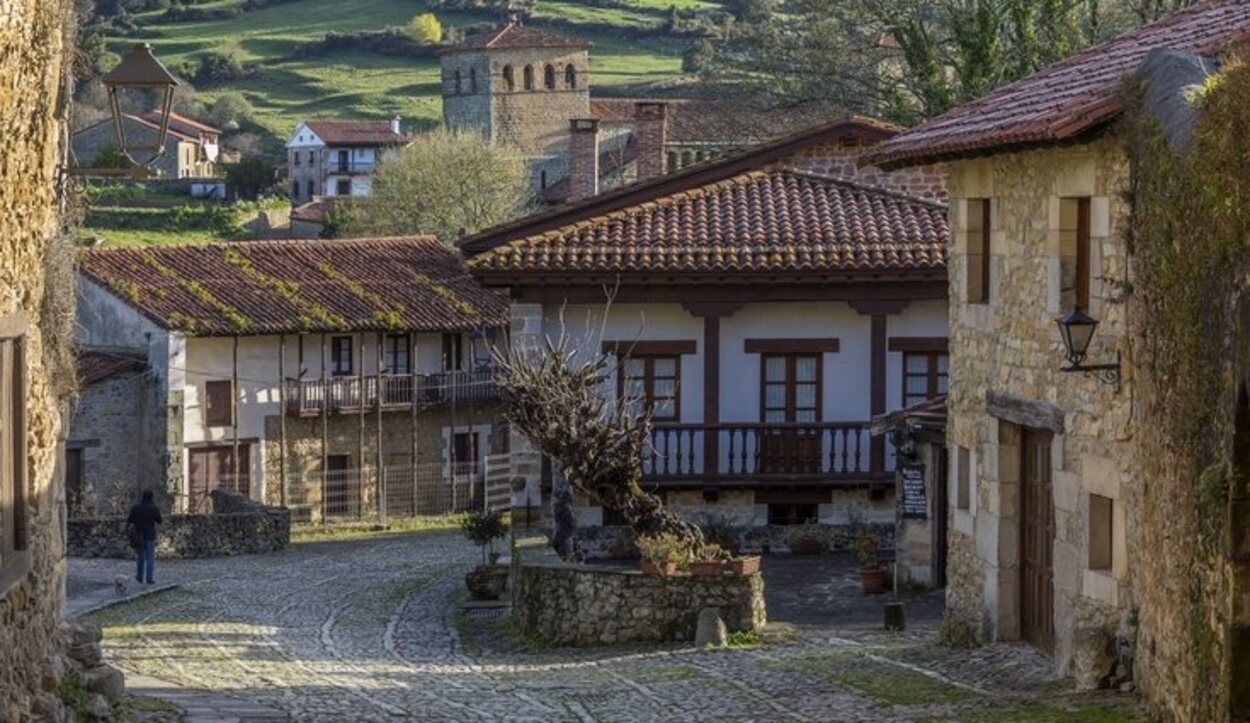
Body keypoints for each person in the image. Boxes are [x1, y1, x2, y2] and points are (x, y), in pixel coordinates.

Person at [126, 490, 162, 585]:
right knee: (150, 558)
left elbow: (129, 520)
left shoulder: (136, 508)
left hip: (138, 534)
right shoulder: (153, 508)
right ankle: (149, 578)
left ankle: (139, 576)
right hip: (149, 535)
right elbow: (159, 520)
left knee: (140, 557)